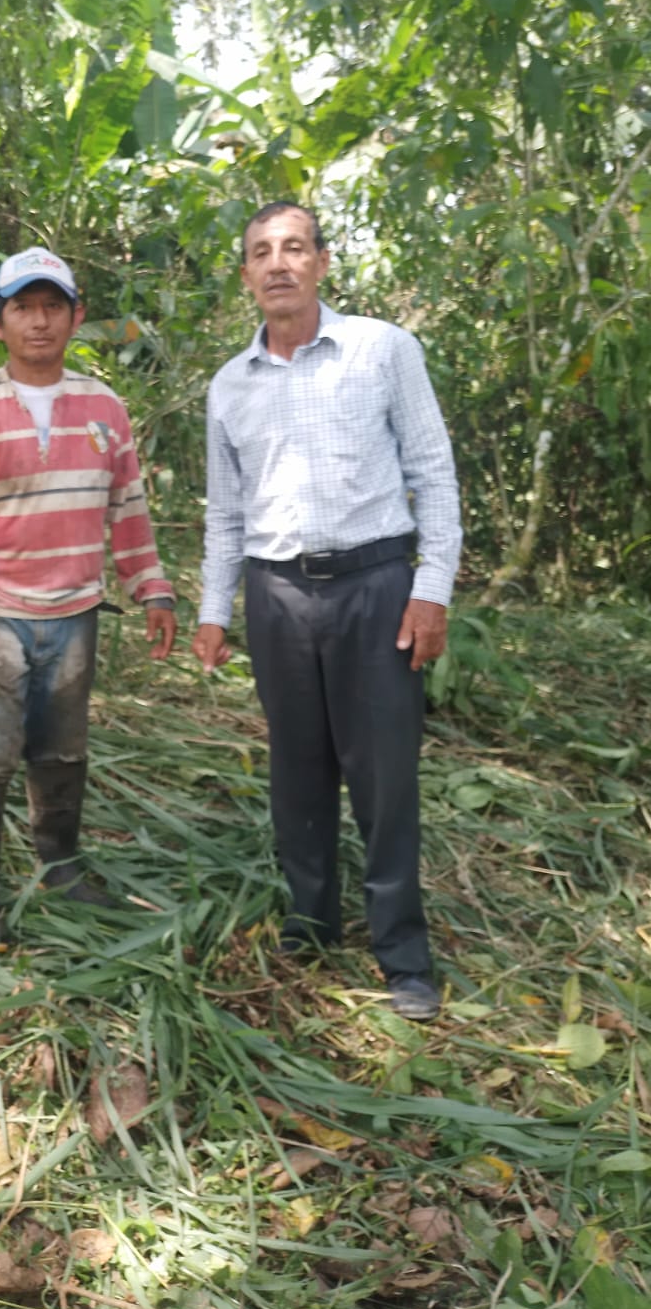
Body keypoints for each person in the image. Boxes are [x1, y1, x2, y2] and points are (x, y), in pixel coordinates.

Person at [192, 202, 462, 1020]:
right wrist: (214, 610)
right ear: (246, 273)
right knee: (297, 769)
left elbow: (433, 470)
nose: (278, 264)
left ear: (322, 262)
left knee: (384, 776)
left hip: (374, 588)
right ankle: (311, 926)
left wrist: (431, 589)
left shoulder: (382, 350)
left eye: (294, 248)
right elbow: (225, 513)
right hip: (276, 595)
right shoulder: (230, 385)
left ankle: (403, 956)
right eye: (261, 252)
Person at [0, 246, 177, 952]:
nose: (39, 322)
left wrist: (152, 588)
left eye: (52, 307)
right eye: (23, 308)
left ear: (76, 316)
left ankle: (61, 867)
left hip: (74, 614)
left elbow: (128, 508)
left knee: (62, 750)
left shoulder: (104, 408)